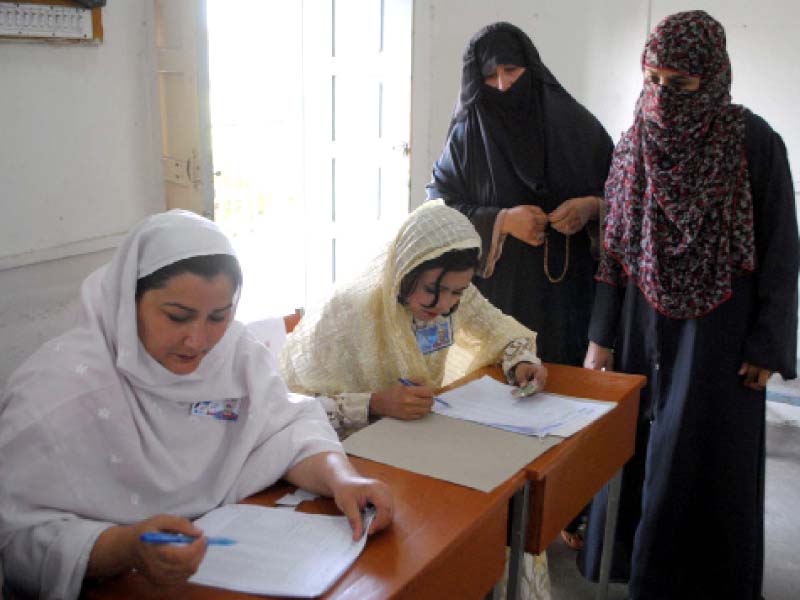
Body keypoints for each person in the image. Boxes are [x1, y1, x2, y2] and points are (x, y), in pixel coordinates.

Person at [0, 210, 392, 599]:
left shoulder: (233, 356)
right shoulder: (59, 392)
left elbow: (287, 430)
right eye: (177, 316)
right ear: (127, 301)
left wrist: (342, 479)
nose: (198, 341)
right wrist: (125, 546)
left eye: (218, 317)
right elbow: (18, 540)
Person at [580, 11, 798, 600]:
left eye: (680, 85)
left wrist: (768, 344)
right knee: (636, 447)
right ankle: (634, 570)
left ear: (715, 79)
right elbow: (615, 250)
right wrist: (601, 336)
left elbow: (782, 249)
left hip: (721, 326)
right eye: (651, 80)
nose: (661, 96)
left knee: (703, 452)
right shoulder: (633, 142)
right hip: (639, 322)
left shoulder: (753, 144)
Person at [280, 201, 550, 598]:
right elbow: (296, 409)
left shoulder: (455, 295)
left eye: (455, 293)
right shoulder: (349, 311)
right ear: (406, 270)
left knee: (491, 519)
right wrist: (374, 403)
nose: (444, 306)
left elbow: (498, 328)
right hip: (357, 469)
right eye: (431, 291)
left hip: (422, 453)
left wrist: (522, 360)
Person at [426, 21, 614, 548]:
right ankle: (496, 516)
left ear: (531, 66)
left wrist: (591, 208)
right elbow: (439, 207)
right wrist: (502, 220)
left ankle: (566, 512)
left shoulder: (576, 123)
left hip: (566, 292)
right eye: (492, 77)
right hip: (497, 295)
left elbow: (625, 193)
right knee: (497, 400)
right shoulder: (468, 131)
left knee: (562, 394)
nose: (504, 86)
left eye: (513, 71)